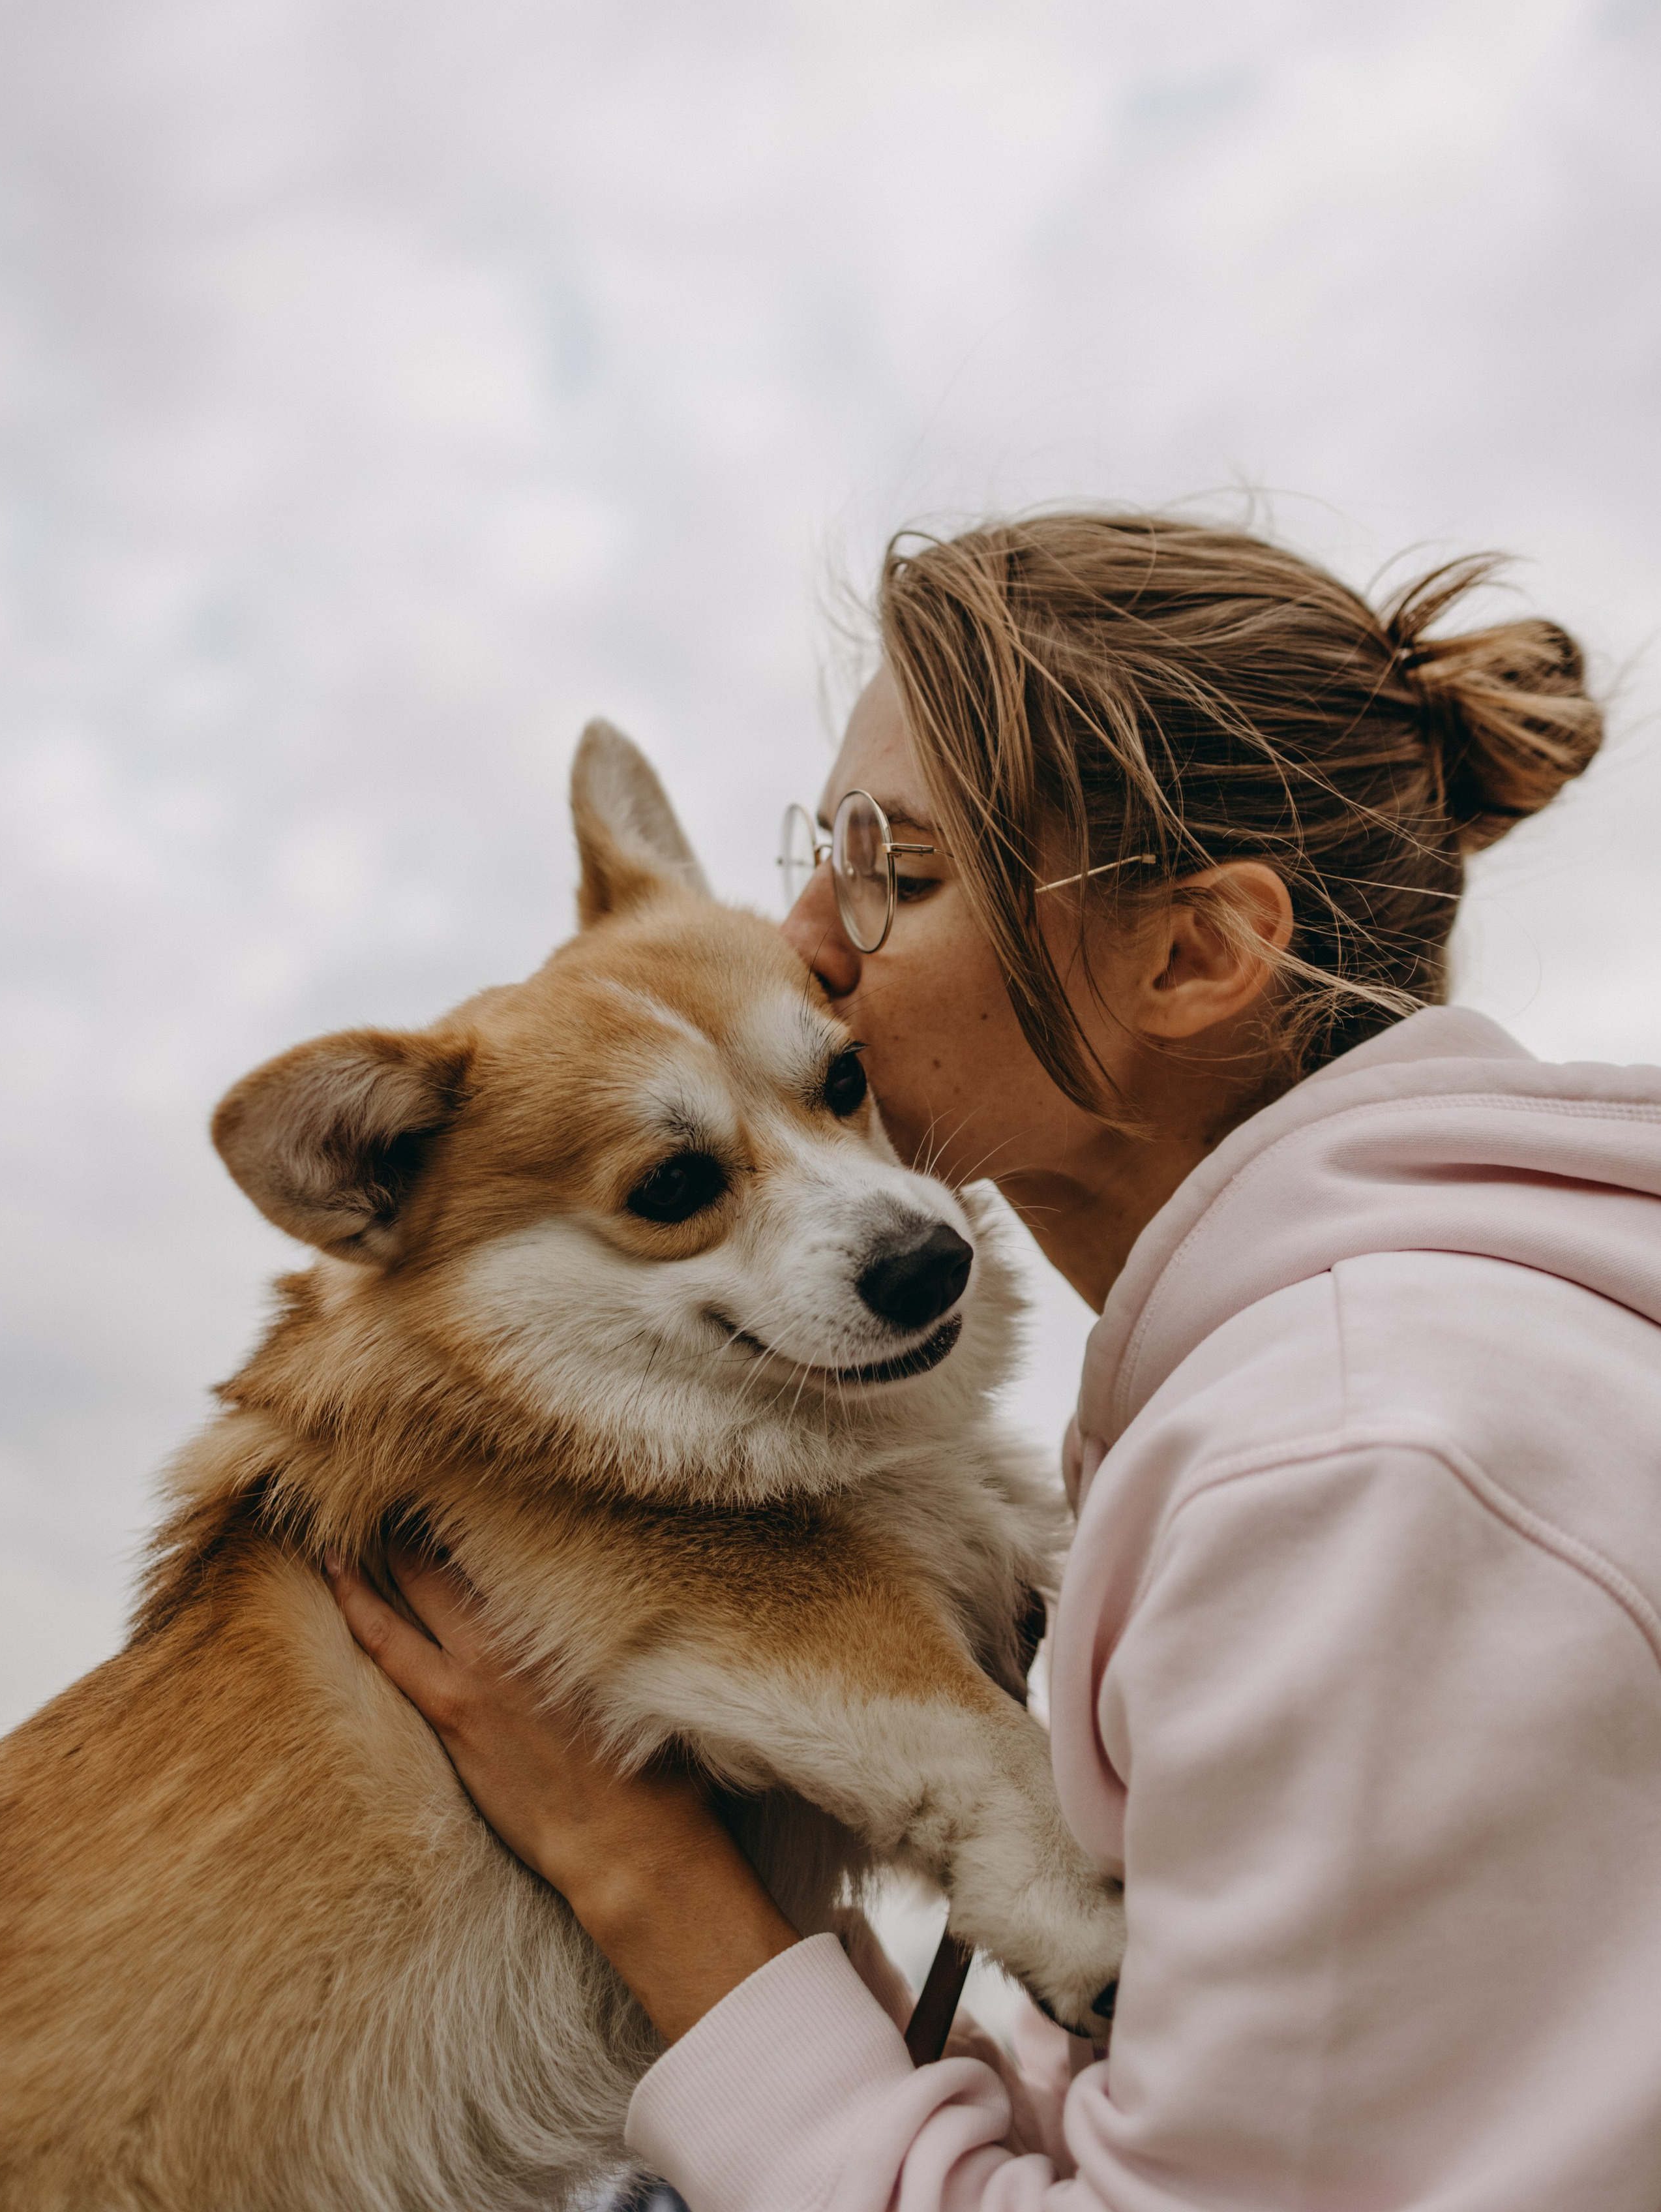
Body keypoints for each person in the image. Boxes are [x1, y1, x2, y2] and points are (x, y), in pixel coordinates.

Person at [331, 511, 1661, 2210]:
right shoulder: (1347, 1386)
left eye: (895, 873)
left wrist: (642, 1879)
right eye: (821, 849)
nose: (803, 934)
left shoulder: (1356, 1461)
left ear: (1192, 955)